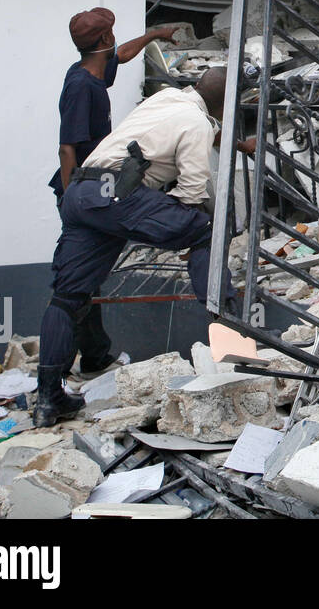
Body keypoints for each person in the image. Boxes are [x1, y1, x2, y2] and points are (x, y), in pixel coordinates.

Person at [34, 67, 255, 427]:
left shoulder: (167, 98)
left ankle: (47, 399)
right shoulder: (198, 125)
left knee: (66, 296)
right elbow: (192, 192)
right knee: (204, 229)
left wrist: (237, 144)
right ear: (227, 105)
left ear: (195, 85)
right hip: (119, 196)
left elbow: (197, 125)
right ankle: (230, 325)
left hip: (83, 192)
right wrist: (183, 233)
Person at [48, 8, 179, 376]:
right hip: (81, 192)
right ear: (103, 39)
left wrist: (154, 34)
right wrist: (74, 197)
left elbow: (120, 55)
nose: (116, 41)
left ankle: (94, 355)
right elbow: (67, 149)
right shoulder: (80, 87)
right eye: (112, 34)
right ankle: (65, 366)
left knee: (87, 275)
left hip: (90, 191)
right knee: (75, 279)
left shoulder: (86, 70)